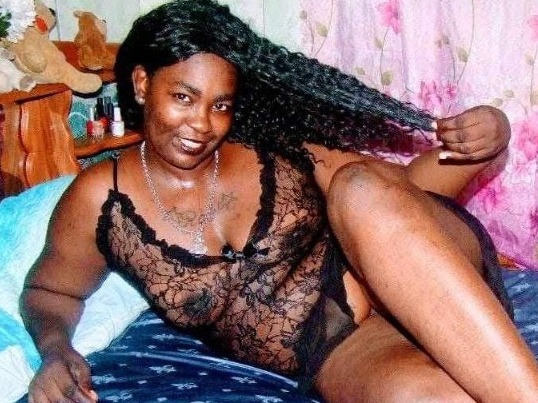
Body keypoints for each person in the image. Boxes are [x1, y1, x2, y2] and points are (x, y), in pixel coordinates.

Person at [20, 0, 538, 402]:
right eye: (183, 97)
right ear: (141, 84)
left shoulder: (268, 146)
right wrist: (56, 350)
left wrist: (486, 138)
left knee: (358, 185)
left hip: (417, 274)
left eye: (220, 105)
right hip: (340, 346)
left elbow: (399, 194)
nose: (201, 124)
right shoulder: (101, 200)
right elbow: (49, 290)